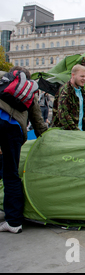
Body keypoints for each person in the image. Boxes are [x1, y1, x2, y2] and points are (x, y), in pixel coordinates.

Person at [0, 66, 47, 233]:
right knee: (11, 174)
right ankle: (14, 222)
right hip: (14, 131)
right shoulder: (31, 89)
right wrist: (46, 136)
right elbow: (36, 119)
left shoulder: (3, 79)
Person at [52, 48, 85, 131]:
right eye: (82, 76)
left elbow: (81, 68)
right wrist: (76, 133)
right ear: (73, 75)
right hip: (68, 135)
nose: (84, 79)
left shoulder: (80, 89)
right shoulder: (65, 91)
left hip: (79, 132)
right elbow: (64, 117)